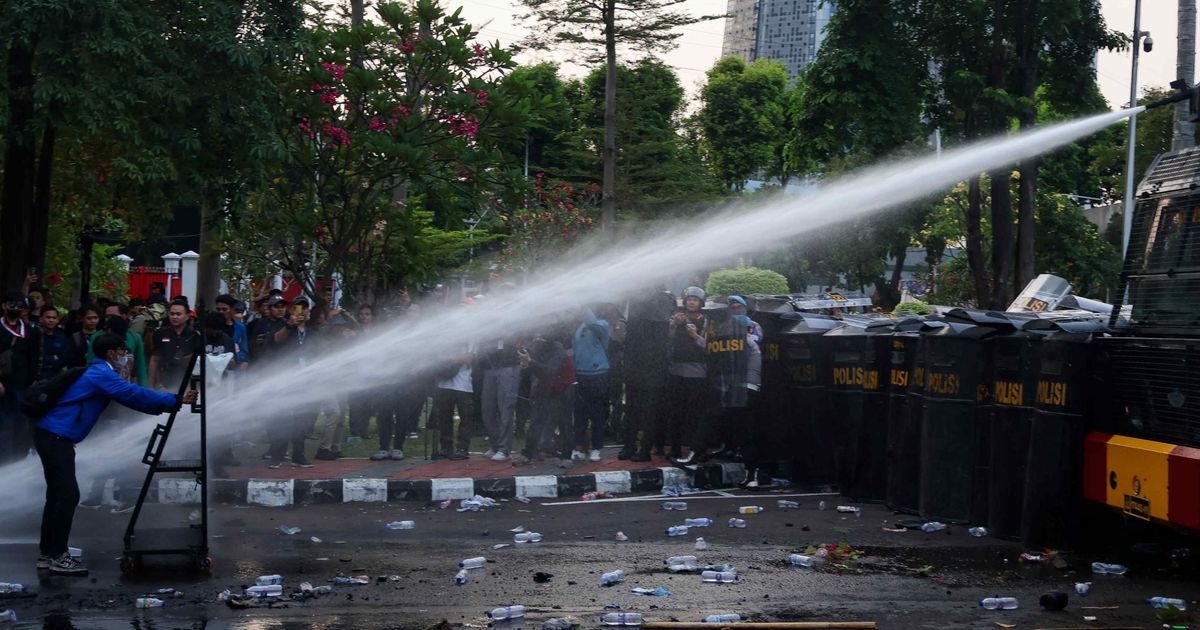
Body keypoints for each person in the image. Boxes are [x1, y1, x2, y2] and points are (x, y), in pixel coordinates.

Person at [34, 333, 196, 575]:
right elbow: (132, 393)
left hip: (52, 436)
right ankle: (57, 555)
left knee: (58, 496)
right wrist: (175, 400)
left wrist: (167, 403)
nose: (125, 357)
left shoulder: (100, 371)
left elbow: (131, 397)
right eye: (122, 352)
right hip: (55, 437)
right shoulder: (101, 374)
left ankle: (49, 553)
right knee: (67, 496)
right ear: (111, 353)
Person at [620, 289, 675, 461]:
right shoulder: (637, 303)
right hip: (636, 369)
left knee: (649, 412)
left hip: (653, 372)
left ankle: (644, 451)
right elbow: (629, 343)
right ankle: (629, 446)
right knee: (632, 410)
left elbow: (662, 347)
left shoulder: (662, 302)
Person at [267, 297, 319, 468]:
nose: (301, 312)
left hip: (305, 382)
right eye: (298, 308)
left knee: (301, 418)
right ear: (292, 311)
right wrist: (290, 324)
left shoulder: (313, 333)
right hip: (284, 380)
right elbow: (276, 341)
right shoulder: (284, 327)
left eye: (305, 309)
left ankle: (298, 454)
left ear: (309, 312)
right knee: (281, 417)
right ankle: (277, 454)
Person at [665, 286, 708, 459]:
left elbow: (709, 346)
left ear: (701, 303)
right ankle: (675, 449)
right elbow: (666, 341)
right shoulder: (676, 318)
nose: (691, 302)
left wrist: (695, 336)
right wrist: (674, 325)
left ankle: (697, 450)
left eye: (695, 299)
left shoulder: (706, 321)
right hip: (676, 371)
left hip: (697, 373)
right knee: (676, 412)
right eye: (689, 299)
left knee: (696, 414)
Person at [572, 305, 611, 462]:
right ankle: (579, 447)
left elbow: (592, 323)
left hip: (598, 375)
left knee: (596, 414)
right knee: (580, 413)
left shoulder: (602, 325)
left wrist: (583, 303)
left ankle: (596, 448)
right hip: (580, 374)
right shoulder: (579, 326)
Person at [0, 292, 34, 464]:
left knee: (21, 424)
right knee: (4, 425)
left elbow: (33, 357)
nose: (16, 309)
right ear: (4, 306)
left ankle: (17, 462)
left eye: (20, 306)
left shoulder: (29, 330)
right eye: (12, 305)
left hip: (22, 385)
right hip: (3, 385)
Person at [148, 300, 201, 392]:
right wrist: (151, 385)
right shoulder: (160, 334)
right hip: (165, 382)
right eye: (172, 314)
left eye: (178, 314)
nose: (174, 317)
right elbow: (155, 359)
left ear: (187, 316)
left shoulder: (195, 335)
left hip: (189, 383)